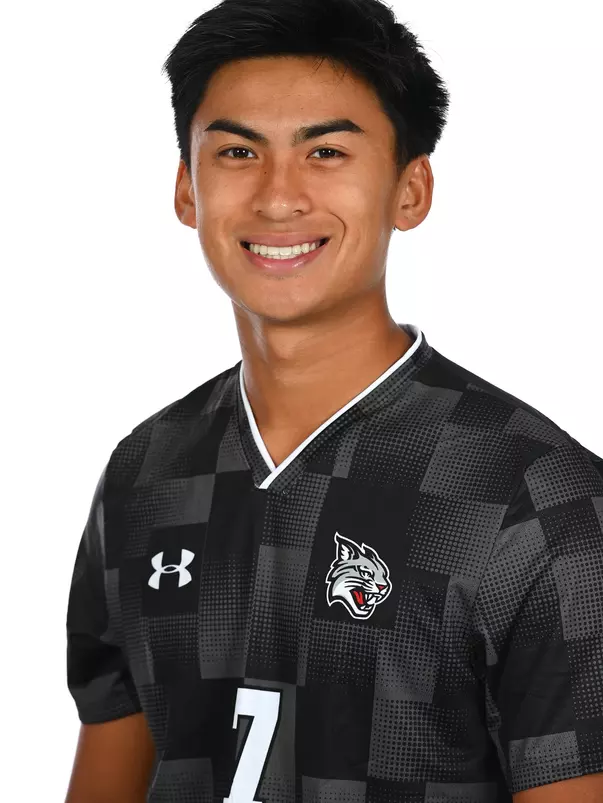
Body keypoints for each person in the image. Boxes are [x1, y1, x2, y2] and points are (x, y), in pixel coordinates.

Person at [64, 0, 603, 801]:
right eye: (238, 150)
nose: (279, 197)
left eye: (325, 151)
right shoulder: (146, 469)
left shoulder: (537, 498)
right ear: (187, 189)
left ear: (409, 189)